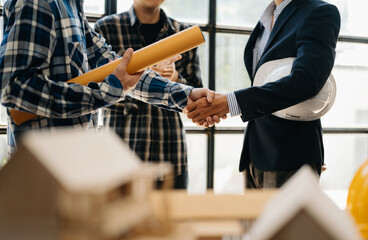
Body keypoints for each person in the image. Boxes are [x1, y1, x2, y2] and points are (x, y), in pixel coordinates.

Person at [0, 0, 215, 157]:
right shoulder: (37, 2)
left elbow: (119, 69)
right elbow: (14, 87)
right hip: (41, 169)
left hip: (75, 165)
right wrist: (110, 91)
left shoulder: (73, 7)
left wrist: (187, 95)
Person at [184, 0, 340, 188]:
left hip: (291, 156)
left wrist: (230, 102)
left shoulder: (320, 13)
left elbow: (306, 81)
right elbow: (264, 82)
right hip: (254, 154)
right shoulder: (266, 19)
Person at [94, 0, 203, 189]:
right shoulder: (106, 28)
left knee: (172, 218)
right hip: (121, 156)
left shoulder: (183, 33)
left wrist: (174, 77)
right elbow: (96, 92)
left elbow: (195, 96)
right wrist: (147, 80)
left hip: (171, 155)